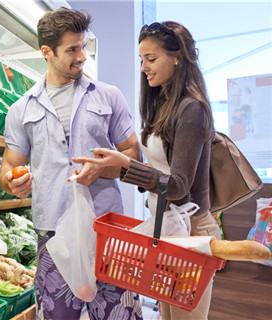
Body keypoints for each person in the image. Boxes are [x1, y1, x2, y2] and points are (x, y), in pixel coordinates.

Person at [0, 7, 143, 320]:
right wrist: (12, 181)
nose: (82, 57)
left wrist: (104, 168)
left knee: (120, 315)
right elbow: (8, 168)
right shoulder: (20, 109)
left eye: (84, 46)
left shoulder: (108, 96)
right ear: (47, 52)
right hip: (53, 232)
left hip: (108, 228)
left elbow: (133, 152)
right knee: (57, 315)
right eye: (72, 50)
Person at [73, 21, 221, 320]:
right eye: (142, 60)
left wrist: (126, 165)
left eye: (151, 59)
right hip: (167, 226)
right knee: (169, 315)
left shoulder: (191, 109)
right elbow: (162, 172)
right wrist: (117, 165)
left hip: (190, 231)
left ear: (177, 56)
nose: (144, 68)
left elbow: (178, 186)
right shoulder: (166, 104)